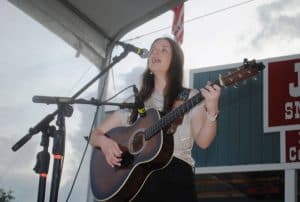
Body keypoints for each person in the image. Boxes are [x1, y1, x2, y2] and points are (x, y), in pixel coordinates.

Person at [90, 37, 221, 202]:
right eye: (152, 49)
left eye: (163, 49)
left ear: (175, 62)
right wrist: (105, 143)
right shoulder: (134, 101)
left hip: (175, 181)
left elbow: (203, 141)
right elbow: (96, 134)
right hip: (136, 181)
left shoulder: (189, 97)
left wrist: (212, 109)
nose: (155, 52)